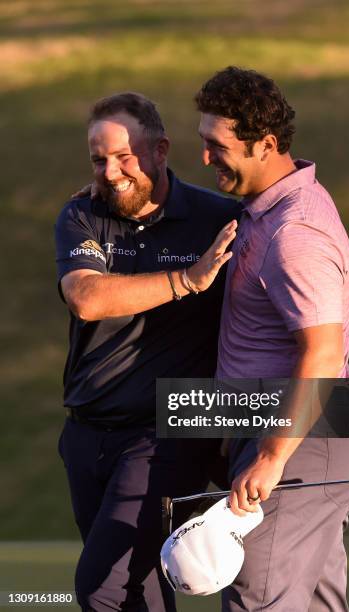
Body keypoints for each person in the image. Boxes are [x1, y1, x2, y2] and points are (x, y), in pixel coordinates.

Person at [194, 66, 349, 611]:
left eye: (216, 145)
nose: (205, 158)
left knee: (258, 599)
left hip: (300, 442)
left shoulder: (294, 232)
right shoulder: (264, 210)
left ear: (265, 144)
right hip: (299, 436)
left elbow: (321, 350)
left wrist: (272, 454)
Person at [54, 91, 239, 612]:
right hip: (86, 434)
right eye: (98, 159)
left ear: (160, 150)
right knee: (138, 588)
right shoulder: (82, 214)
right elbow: (87, 297)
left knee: (101, 586)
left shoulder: (219, 219)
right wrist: (187, 279)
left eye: (124, 156)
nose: (110, 172)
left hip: (168, 432)